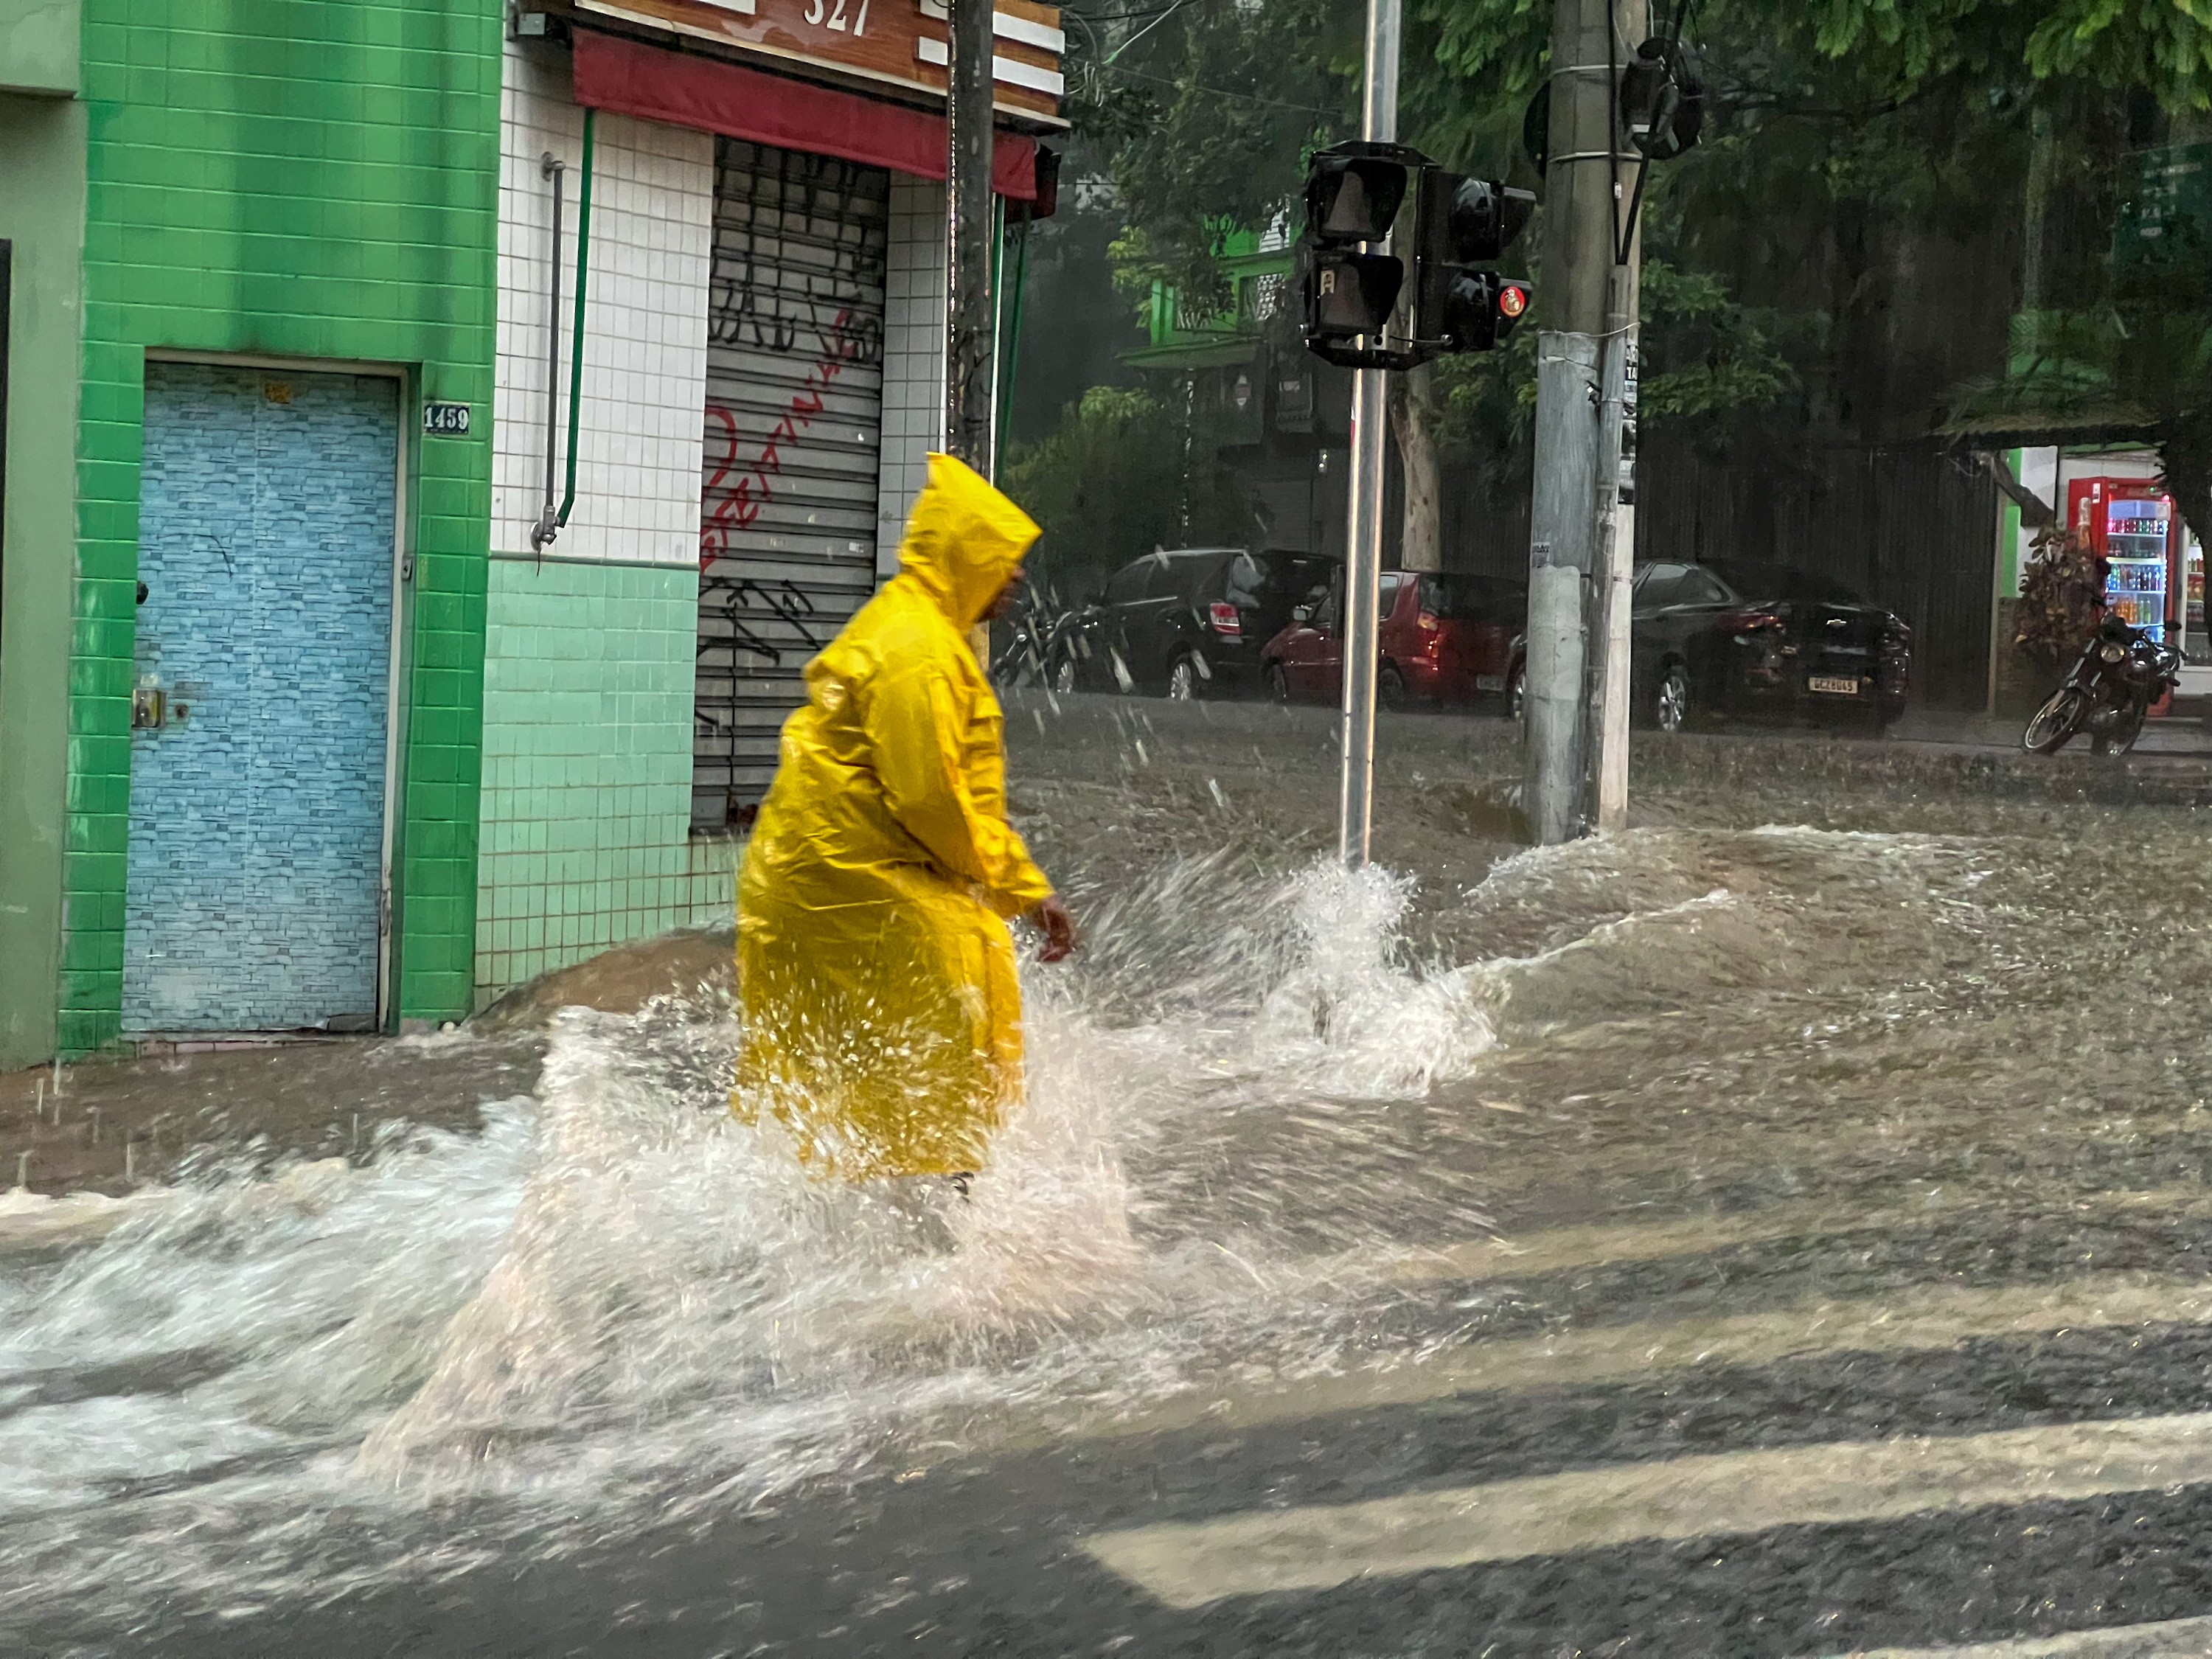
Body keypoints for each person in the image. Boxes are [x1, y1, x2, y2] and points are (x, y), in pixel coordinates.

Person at [732, 452, 1077, 1185]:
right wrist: (1023, 890)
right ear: (966, 556)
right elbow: (933, 800)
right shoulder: (919, 651)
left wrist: (1016, 887)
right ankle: (939, 1226)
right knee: (944, 1043)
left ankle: (852, 1219)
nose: (1016, 578)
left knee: (846, 1075)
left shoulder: (924, 630)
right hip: (853, 886)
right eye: (1004, 560)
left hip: (833, 880)